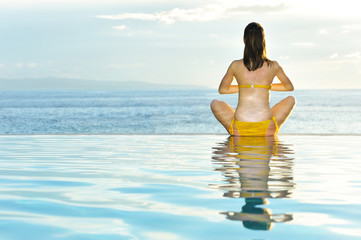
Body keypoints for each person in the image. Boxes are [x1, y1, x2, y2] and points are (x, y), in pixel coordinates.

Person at [210, 22, 295, 136]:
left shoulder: (235, 65)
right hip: (266, 129)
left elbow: (223, 90)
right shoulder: (273, 65)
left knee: (215, 103)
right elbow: (289, 87)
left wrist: (247, 87)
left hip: (239, 129)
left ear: (244, 40)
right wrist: (264, 87)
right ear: (263, 42)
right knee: (291, 99)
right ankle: (270, 132)